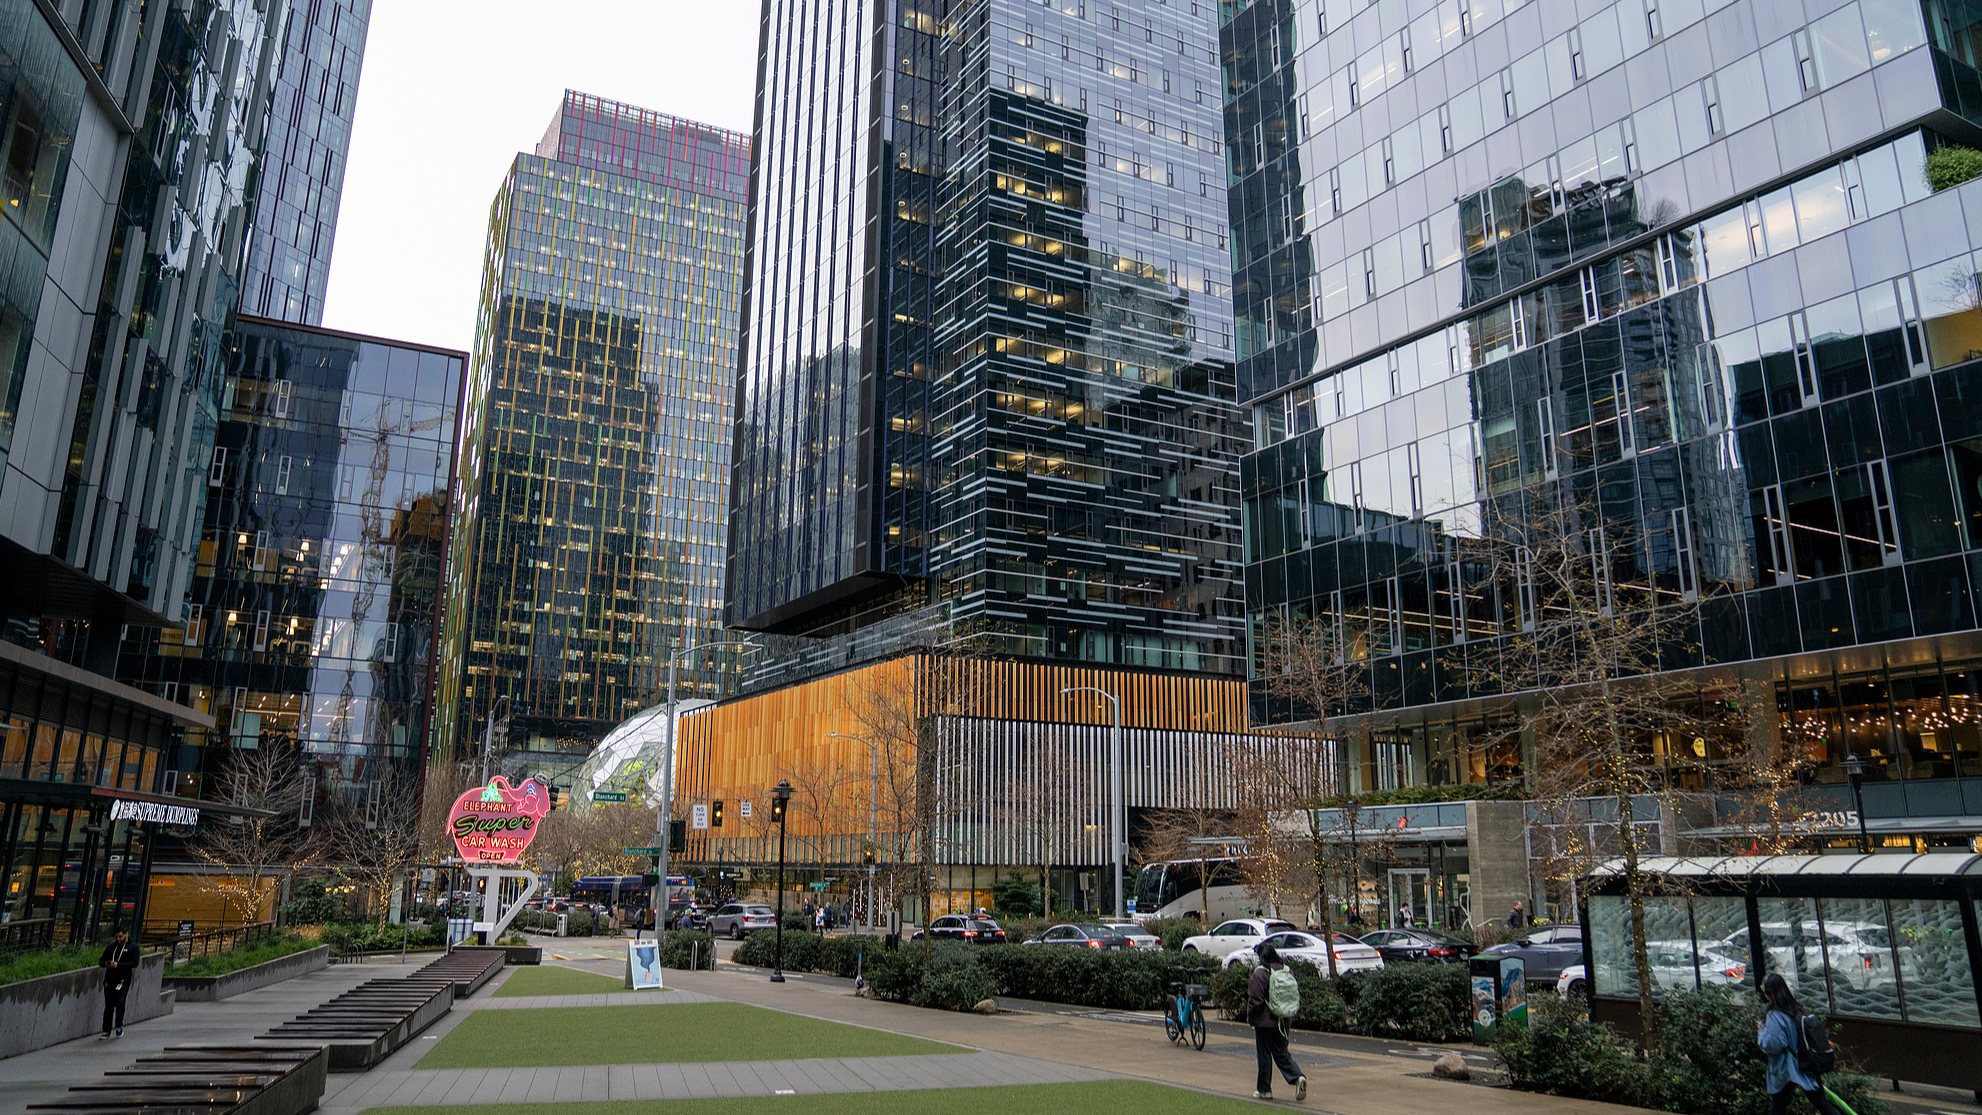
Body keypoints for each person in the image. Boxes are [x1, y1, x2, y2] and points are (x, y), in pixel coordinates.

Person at [1757, 973, 1844, 1115]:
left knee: (1777, 1107)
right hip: (1806, 1063)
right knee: (1822, 1104)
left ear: (1769, 992)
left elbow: (1773, 1044)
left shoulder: (1774, 1015)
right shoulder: (1796, 1008)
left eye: (1763, 987)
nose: (1762, 990)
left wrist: (1761, 1031)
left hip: (1785, 1069)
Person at [1245, 943, 1307, 1102]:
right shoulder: (1287, 970)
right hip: (1284, 1019)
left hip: (1265, 1022)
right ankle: (1297, 1077)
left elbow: (1255, 1000)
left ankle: (1264, 1090)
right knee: (1281, 1052)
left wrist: (1251, 1018)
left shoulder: (1260, 973)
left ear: (1261, 956)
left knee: (1264, 1054)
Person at [98, 929, 140, 1039]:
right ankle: (106, 1030)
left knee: (120, 1002)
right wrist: (107, 964)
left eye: (120, 936)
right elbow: (101, 961)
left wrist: (119, 965)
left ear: (126, 934)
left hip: (123, 980)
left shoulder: (133, 947)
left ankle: (119, 1025)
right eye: (116, 937)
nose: (118, 939)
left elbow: (135, 963)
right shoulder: (111, 948)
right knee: (109, 1005)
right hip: (110, 980)